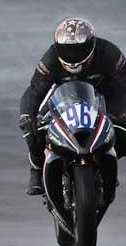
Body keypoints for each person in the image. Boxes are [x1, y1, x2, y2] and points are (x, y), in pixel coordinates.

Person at [19, 17, 126, 195]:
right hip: (63, 97)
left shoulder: (108, 52)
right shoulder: (51, 58)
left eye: (78, 48)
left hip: (105, 98)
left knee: (122, 131)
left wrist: (121, 113)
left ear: (91, 44)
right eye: (68, 49)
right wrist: (26, 115)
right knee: (33, 130)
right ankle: (36, 170)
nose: (73, 54)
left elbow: (124, 83)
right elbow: (34, 91)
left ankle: (106, 163)